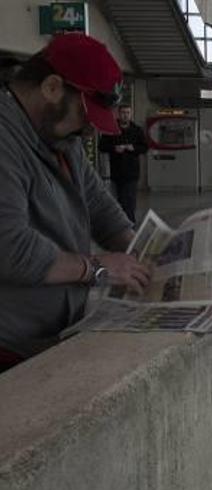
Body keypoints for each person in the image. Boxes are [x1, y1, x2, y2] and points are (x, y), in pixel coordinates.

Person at [0, 33, 151, 372]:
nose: (88, 132)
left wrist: (140, 250)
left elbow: (98, 205)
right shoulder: (6, 138)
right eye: (86, 116)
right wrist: (96, 268)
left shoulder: (58, 137)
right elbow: (8, 246)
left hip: (45, 338)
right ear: (52, 88)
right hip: (7, 350)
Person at [99, 104, 147, 223]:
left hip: (132, 172)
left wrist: (133, 148)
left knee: (129, 200)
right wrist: (114, 148)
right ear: (118, 114)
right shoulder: (111, 129)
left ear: (131, 114)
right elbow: (101, 146)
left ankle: (130, 223)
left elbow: (145, 147)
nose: (125, 115)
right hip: (116, 171)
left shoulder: (137, 130)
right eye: (123, 113)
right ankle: (121, 222)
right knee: (119, 199)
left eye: (128, 113)